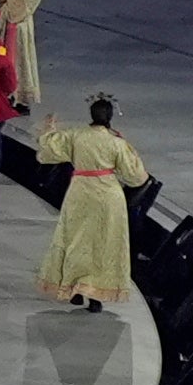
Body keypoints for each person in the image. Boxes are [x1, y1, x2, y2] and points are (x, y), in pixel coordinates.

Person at [36, 93, 143, 309]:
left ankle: (73, 288)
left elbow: (49, 150)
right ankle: (95, 297)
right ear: (110, 117)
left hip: (80, 192)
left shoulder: (77, 136)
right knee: (104, 244)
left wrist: (49, 129)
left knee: (76, 239)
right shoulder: (116, 142)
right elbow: (135, 176)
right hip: (108, 195)